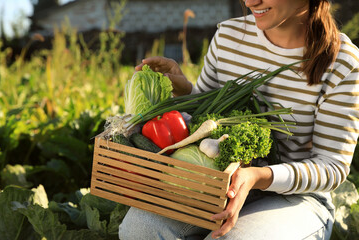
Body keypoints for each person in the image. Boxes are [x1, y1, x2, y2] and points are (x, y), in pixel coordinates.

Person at [119, 0, 359, 239]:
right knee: (140, 229)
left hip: (295, 198)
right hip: (217, 185)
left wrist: (258, 177)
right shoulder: (229, 36)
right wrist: (185, 91)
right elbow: (205, 120)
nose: (251, 2)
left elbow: (331, 167)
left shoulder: (342, 62)